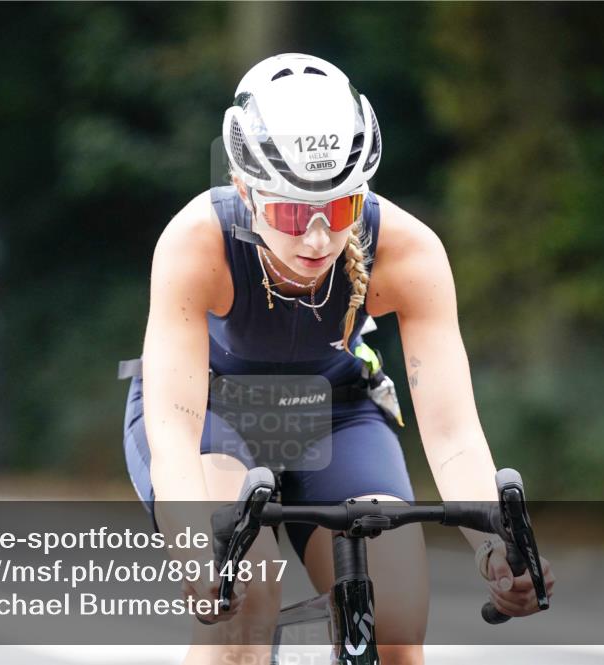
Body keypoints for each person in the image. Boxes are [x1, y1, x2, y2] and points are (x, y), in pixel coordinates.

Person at [122, 53, 555, 665]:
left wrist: (496, 550)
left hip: (335, 412)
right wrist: (194, 548)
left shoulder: (409, 251)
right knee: (247, 591)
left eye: (342, 208)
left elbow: (453, 430)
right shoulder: (198, 242)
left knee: (397, 624)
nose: (319, 238)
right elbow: (171, 426)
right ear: (245, 190)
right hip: (212, 414)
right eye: (295, 212)